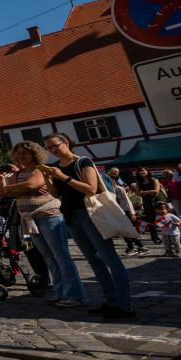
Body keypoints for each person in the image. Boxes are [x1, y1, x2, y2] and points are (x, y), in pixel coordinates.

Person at [43, 133, 134, 320]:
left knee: (109, 258)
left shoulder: (83, 162)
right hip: (71, 216)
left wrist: (64, 177)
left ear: (66, 143)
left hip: (90, 214)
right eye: (48, 148)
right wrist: (48, 179)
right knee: (94, 260)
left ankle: (125, 305)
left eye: (54, 146)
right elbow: (54, 195)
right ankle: (110, 301)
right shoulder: (56, 167)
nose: (52, 150)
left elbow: (90, 189)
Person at [0, 143, 87, 307]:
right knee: (48, 257)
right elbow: (2, 193)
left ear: (34, 154)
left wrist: (12, 188)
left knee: (61, 255)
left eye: (25, 153)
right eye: (18, 153)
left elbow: (32, 184)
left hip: (48, 215)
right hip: (29, 219)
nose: (20, 156)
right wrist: (3, 180)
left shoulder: (39, 169)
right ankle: (60, 292)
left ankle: (75, 294)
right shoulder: (17, 174)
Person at [132, 168, 164, 245]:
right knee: (151, 220)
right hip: (147, 202)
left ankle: (167, 235)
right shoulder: (139, 183)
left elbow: (156, 191)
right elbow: (138, 193)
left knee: (163, 218)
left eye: (143, 170)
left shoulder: (154, 180)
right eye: (140, 171)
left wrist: (144, 192)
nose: (142, 172)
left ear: (147, 171)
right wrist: (149, 192)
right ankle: (155, 238)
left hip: (157, 201)